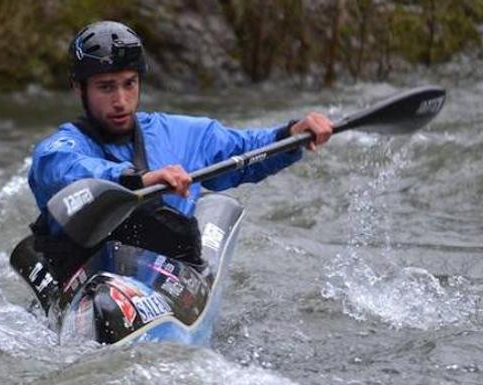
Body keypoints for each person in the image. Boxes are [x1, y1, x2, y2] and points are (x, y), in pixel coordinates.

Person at [18, 20, 333, 313]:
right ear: (79, 88)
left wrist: (292, 134)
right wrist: (138, 180)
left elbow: (244, 150)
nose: (121, 100)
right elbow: (64, 170)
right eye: (106, 87)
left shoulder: (178, 134)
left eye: (129, 84)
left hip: (163, 283)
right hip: (91, 286)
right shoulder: (60, 149)